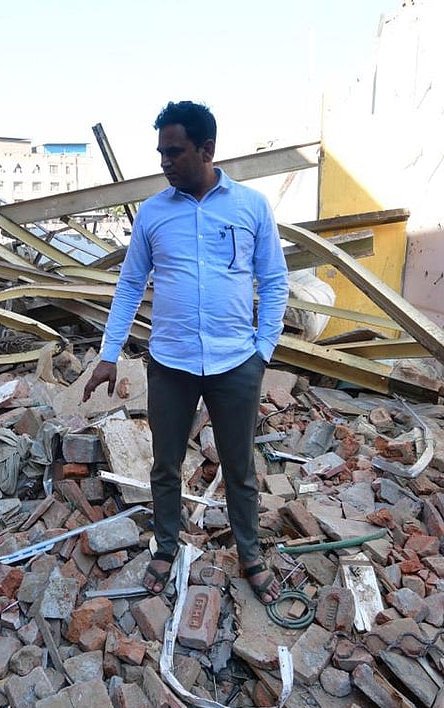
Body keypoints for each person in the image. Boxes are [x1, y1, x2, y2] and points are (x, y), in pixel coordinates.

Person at [82, 100, 289, 605]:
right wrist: (109, 354)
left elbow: (274, 280)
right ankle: (166, 547)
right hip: (171, 364)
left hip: (236, 363)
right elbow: (129, 286)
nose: (164, 162)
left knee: (239, 468)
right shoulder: (153, 214)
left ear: (206, 149)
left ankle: (250, 555)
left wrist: (262, 349)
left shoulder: (251, 207)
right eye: (161, 152)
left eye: (174, 152)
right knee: (165, 464)